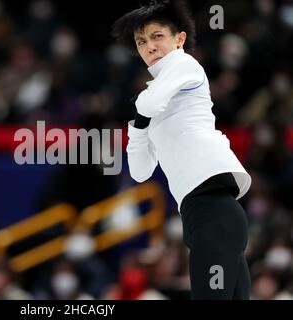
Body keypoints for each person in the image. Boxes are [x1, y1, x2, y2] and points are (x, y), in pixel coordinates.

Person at [112, 0, 252, 299]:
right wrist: (138, 128)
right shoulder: (156, 95)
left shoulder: (184, 63)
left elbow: (147, 104)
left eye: (156, 35)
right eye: (141, 41)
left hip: (214, 211)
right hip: (204, 216)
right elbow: (139, 171)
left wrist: (140, 117)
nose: (149, 46)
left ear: (180, 39)